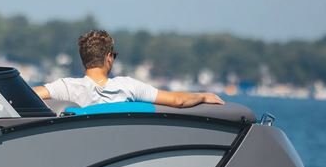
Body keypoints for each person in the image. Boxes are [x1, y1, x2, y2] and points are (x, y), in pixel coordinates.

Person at [34, 30, 224, 109]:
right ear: (109, 57)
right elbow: (178, 101)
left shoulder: (67, 87)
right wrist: (203, 96)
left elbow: (30, 94)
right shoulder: (128, 87)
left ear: (84, 59)